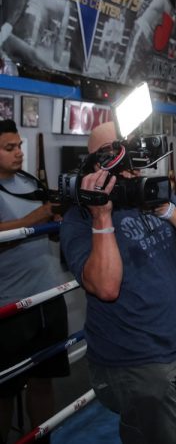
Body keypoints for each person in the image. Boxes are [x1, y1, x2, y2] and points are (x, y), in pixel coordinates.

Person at [59, 122, 176, 444]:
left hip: (171, 338)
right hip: (130, 353)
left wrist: (165, 208)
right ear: (96, 165)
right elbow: (106, 287)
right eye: (115, 154)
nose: (128, 163)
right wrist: (102, 217)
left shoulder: (151, 192)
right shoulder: (80, 219)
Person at [0, 120, 68, 444]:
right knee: (4, 390)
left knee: (44, 379)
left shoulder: (28, 182)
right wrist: (38, 218)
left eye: (19, 146)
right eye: (9, 148)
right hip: (11, 304)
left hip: (48, 295)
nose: (18, 153)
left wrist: (56, 222)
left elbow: (47, 230)